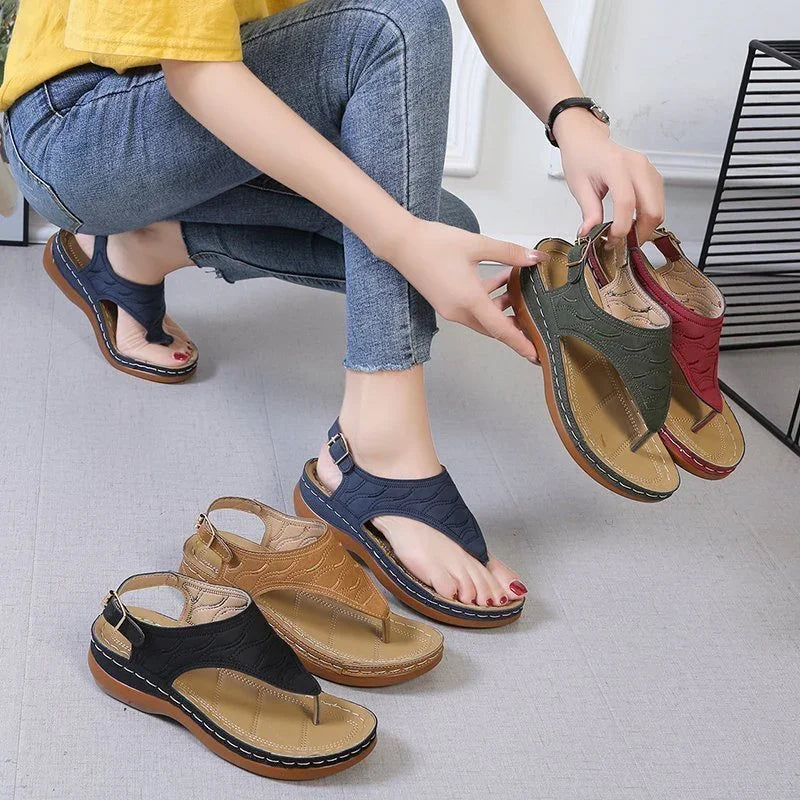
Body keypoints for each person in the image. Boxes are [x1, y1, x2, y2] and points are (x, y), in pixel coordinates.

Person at [0, 0, 665, 610]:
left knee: (453, 233)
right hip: (78, 122)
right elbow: (196, 73)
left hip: (233, 88)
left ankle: (142, 249)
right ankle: (379, 445)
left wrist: (573, 116)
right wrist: (401, 237)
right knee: (394, 29)